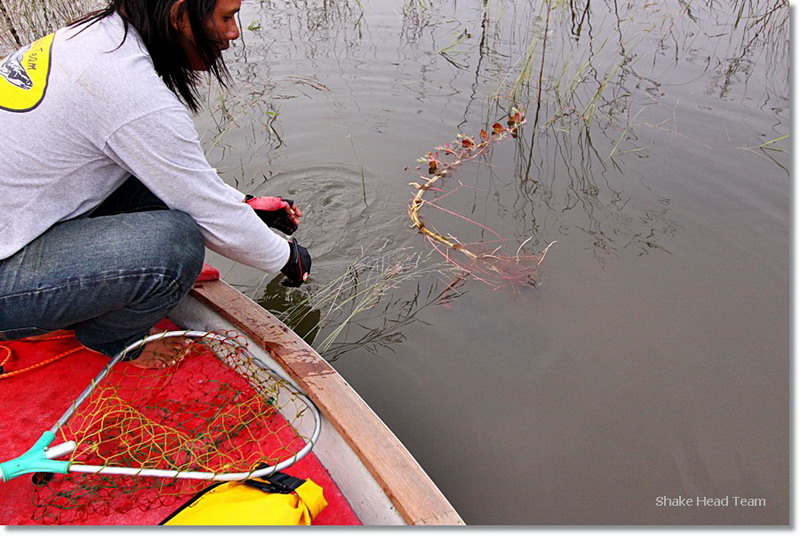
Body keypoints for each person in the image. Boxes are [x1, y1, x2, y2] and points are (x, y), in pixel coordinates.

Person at [0, 0, 311, 368]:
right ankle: (112, 338)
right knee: (175, 247)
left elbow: (179, 180)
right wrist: (287, 257)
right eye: (226, 18)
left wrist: (245, 204)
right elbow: (208, 215)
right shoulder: (127, 90)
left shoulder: (90, 40)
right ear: (180, 16)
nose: (233, 33)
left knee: (152, 188)